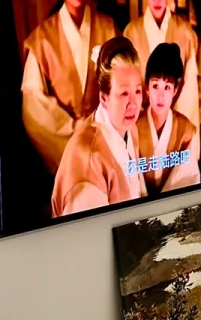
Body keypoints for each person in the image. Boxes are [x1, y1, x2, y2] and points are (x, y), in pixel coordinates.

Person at [20, 0, 116, 173]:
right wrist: (75, 129)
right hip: (66, 149)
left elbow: (124, 86)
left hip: (106, 140)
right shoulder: (42, 39)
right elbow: (33, 104)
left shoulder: (109, 29)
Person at [51, 37, 145, 216]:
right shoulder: (88, 160)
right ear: (104, 98)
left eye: (138, 91)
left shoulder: (130, 129)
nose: (133, 104)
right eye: (124, 93)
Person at [125, 0, 201, 127]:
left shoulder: (185, 32)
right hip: (141, 119)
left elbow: (191, 87)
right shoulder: (131, 32)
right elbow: (127, 83)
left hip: (179, 117)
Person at [135, 42, 201, 197]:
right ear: (147, 88)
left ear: (175, 91)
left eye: (167, 87)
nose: (161, 96)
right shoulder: (134, 127)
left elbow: (187, 178)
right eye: (155, 86)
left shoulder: (186, 130)